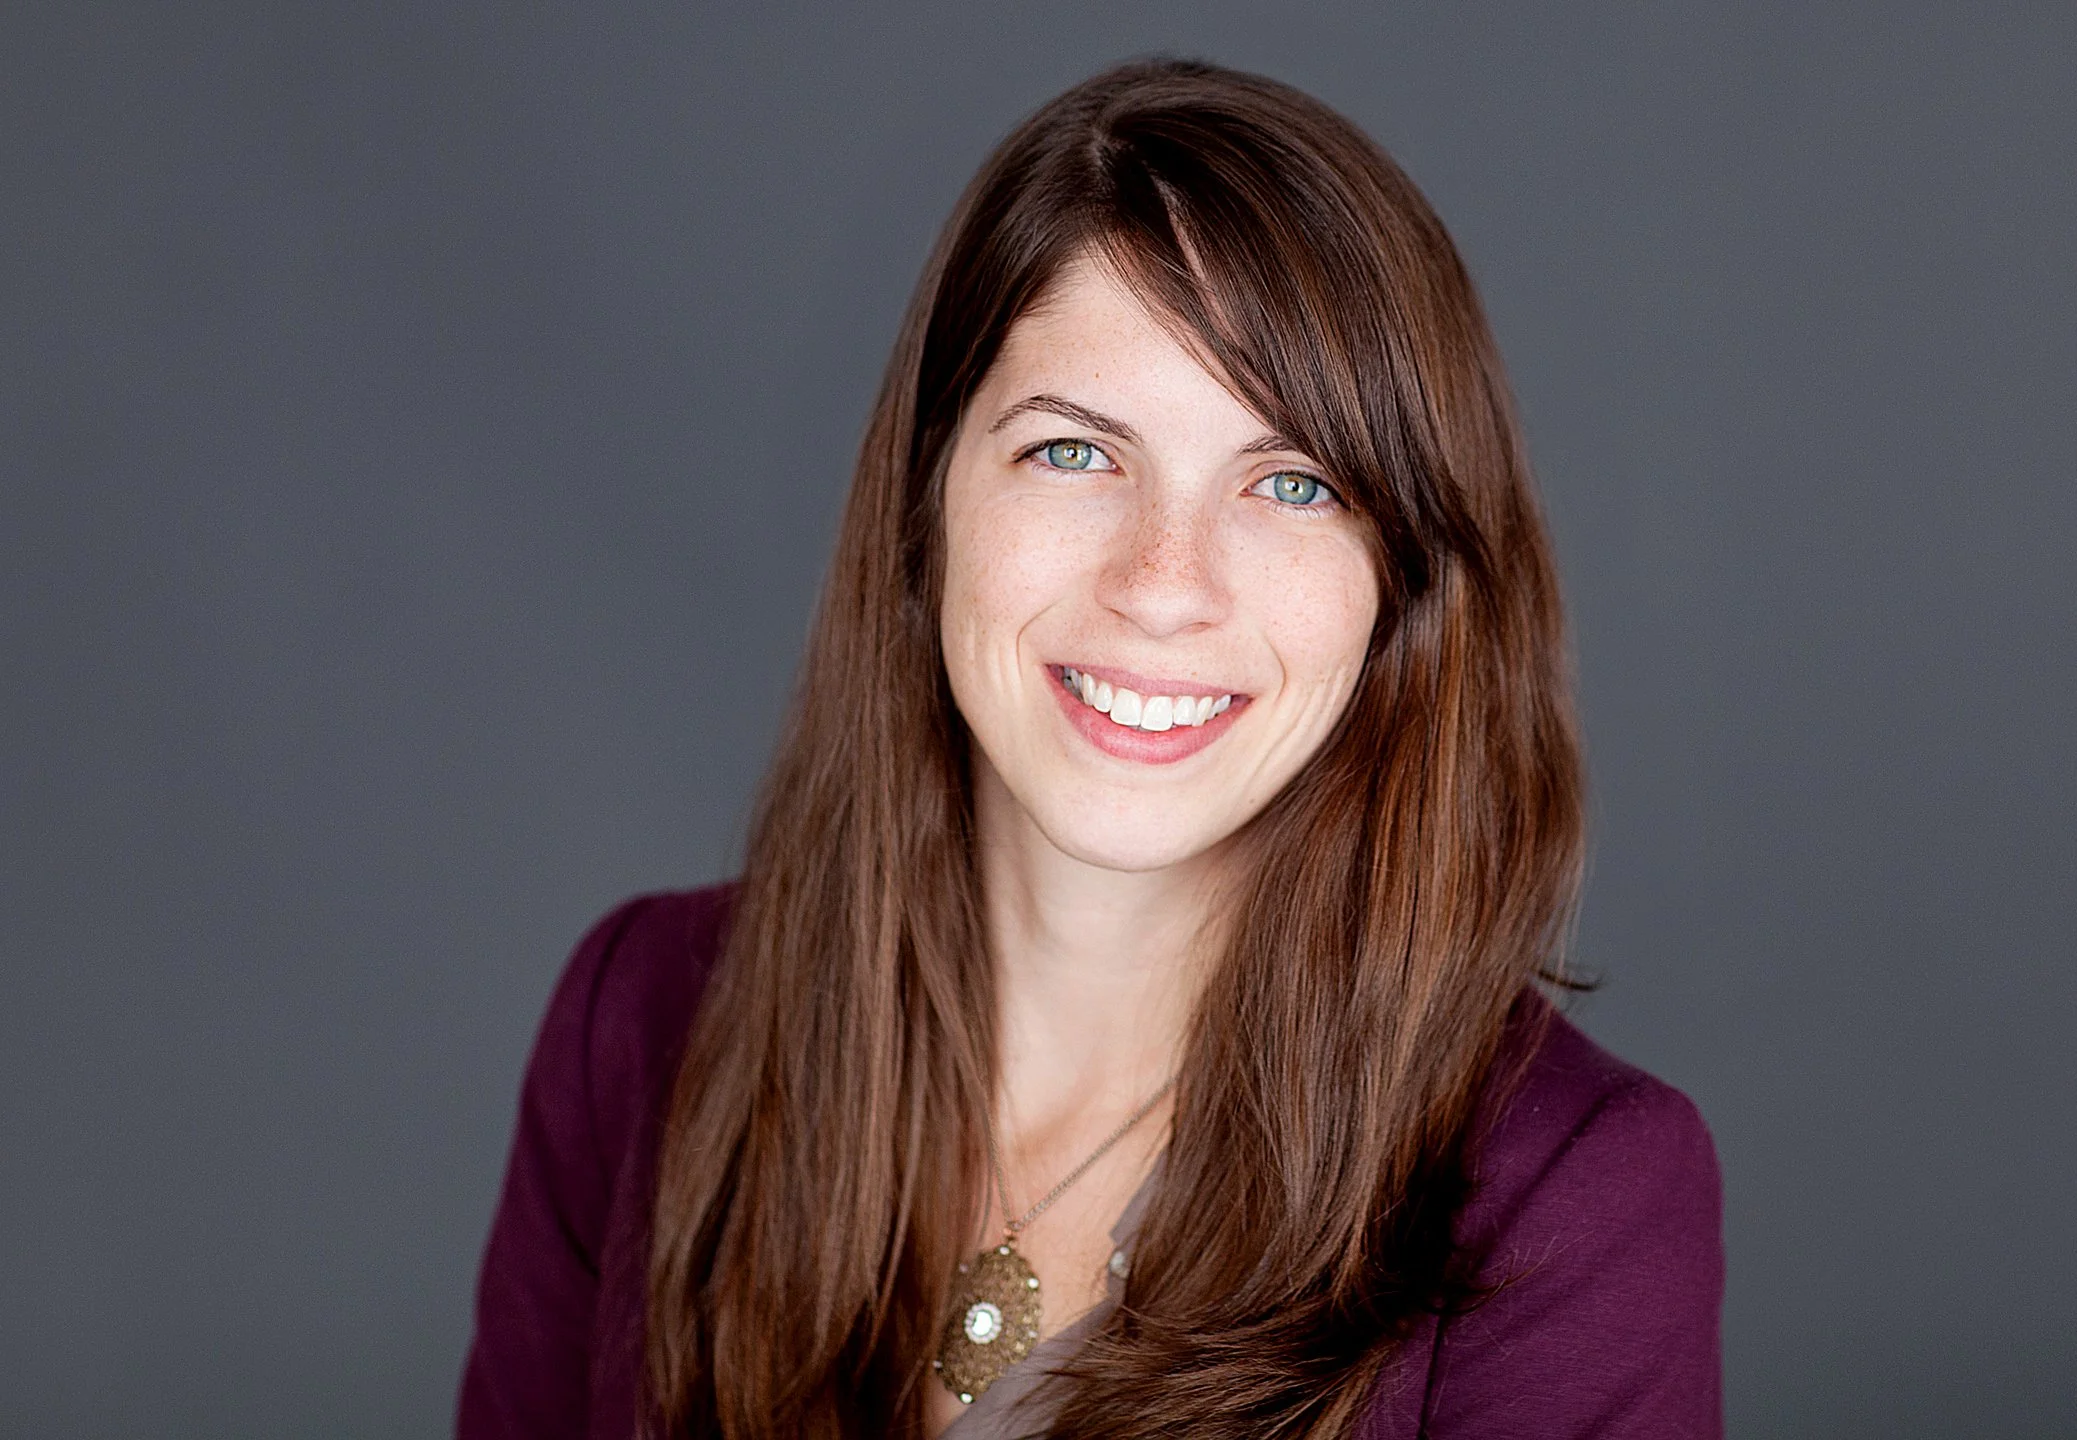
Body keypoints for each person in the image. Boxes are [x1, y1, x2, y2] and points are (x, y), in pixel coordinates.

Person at [458, 58, 1721, 1440]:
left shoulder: (1572, 1200)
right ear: (930, 497)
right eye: (1074, 452)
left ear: (1402, 584)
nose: (1164, 581)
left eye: (1291, 482)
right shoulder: (635, 1027)